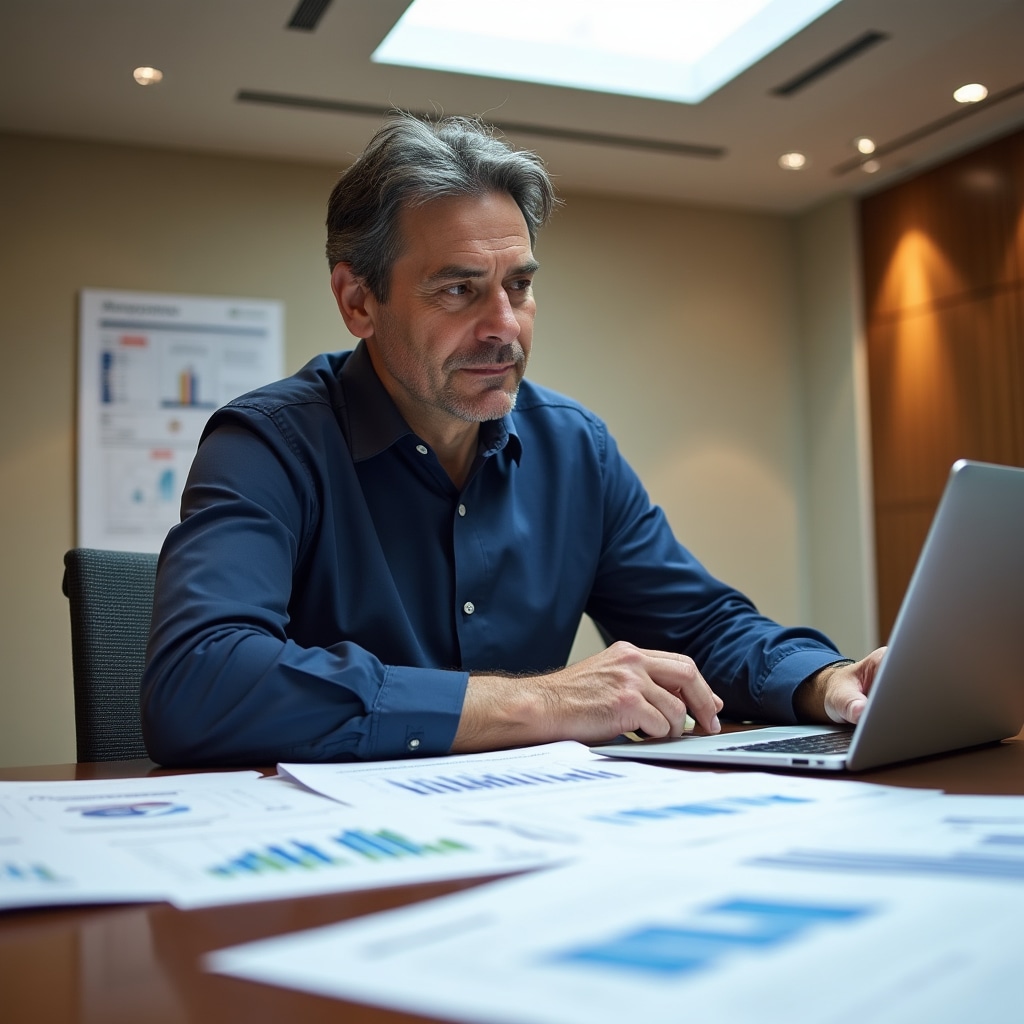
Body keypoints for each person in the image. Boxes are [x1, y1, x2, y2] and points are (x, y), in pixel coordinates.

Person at [141, 113, 884, 766]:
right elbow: (199, 682)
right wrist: (538, 704)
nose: (505, 327)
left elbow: (701, 625)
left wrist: (826, 683)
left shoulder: (575, 448)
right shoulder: (268, 443)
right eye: (458, 290)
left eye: (519, 287)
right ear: (358, 300)